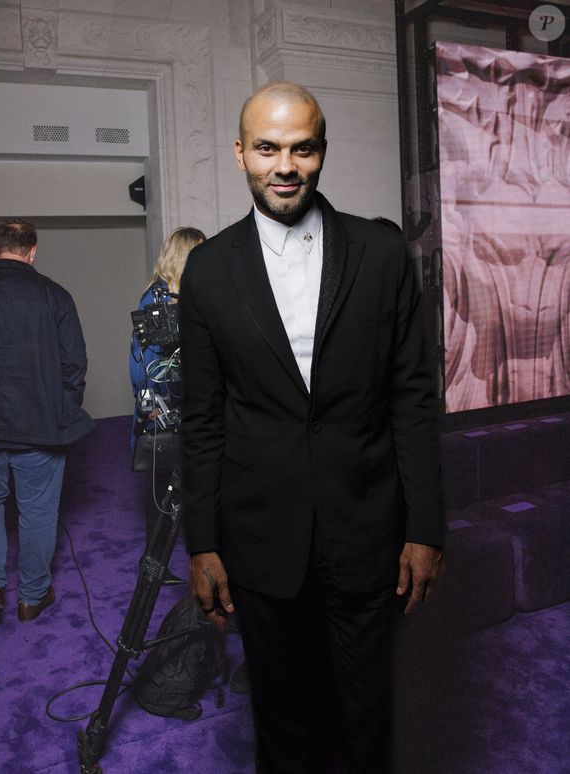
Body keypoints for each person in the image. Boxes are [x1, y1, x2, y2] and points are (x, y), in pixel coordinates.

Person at [179, 82, 444, 773]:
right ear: (242, 154)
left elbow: (412, 396)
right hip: (260, 535)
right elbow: (202, 416)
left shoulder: (382, 254)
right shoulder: (207, 270)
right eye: (268, 148)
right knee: (282, 721)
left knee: (369, 716)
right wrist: (202, 542)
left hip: (367, 527)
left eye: (302, 148)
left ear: (322, 152)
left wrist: (426, 527)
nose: (285, 165)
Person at [0, 219, 93, 624]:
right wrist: (61, 411)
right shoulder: (55, 295)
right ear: (32, 251)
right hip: (40, 427)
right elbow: (75, 365)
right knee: (37, 512)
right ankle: (31, 598)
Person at [129, 227, 205, 582]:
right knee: (164, 490)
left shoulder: (193, 295)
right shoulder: (154, 301)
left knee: (195, 488)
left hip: (194, 405)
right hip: (164, 408)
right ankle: (153, 564)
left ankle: (199, 561)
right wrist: (152, 406)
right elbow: (140, 365)